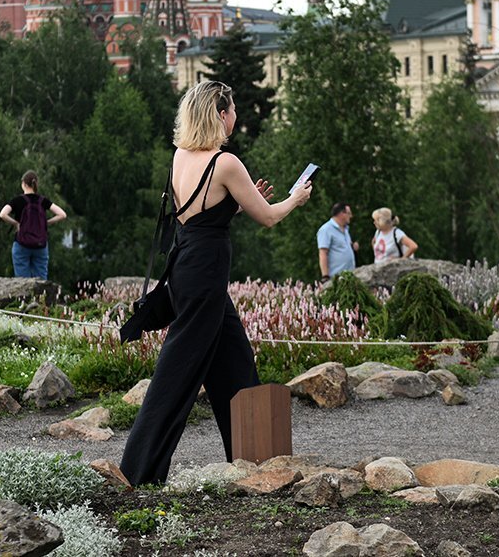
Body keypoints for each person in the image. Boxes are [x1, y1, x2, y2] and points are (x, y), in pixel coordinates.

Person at [120, 80, 311, 486]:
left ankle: (254, 461)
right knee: (177, 375)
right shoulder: (225, 163)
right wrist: (295, 197)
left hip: (189, 271)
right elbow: (271, 217)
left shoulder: (180, 156)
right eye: (233, 108)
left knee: (236, 367)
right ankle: (136, 471)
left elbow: (201, 216)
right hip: (205, 278)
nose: (236, 115)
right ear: (220, 113)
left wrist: (239, 202)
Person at [0, 171, 66, 280]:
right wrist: (45, 222)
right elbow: (62, 214)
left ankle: (24, 297)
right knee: (41, 281)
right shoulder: (43, 200)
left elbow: (2, 214)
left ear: (24, 184)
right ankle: (41, 297)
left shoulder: (18, 200)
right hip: (40, 245)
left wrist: (16, 223)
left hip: (21, 244)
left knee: (22, 282)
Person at [317, 203, 358, 278]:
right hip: (336, 277)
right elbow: (323, 253)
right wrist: (325, 276)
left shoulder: (345, 229)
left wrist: (352, 246)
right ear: (342, 214)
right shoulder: (326, 229)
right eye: (349, 213)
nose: (351, 216)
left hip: (349, 275)